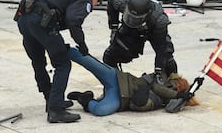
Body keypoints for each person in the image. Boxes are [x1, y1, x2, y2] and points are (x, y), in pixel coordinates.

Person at [16, 0, 104, 123]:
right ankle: (56, 110)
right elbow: (72, 20)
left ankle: (50, 99)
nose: (95, 6)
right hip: (41, 22)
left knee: (38, 62)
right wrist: (81, 43)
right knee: (62, 64)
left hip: (25, 20)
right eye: (97, 3)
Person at [66, 47, 197, 116]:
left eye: (178, 87)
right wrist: (178, 94)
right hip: (119, 79)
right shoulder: (160, 79)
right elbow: (158, 85)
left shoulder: (160, 102)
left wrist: (183, 97)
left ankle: (85, 99)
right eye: (175, 84)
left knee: (100, 110)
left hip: (120, 98)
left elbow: (141, 102)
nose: (175, 86)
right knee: (89, 62)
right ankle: (61, 47)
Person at [103, 0, 178, 84]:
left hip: (153, 30)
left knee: (167, 57)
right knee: (110, 56)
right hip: (130, 28)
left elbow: (161, 48)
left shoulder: (159, 19)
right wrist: (114, 27)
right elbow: (111, 4)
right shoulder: (121, 1)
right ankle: (116, 84)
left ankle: (175, 85)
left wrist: (158, 70)